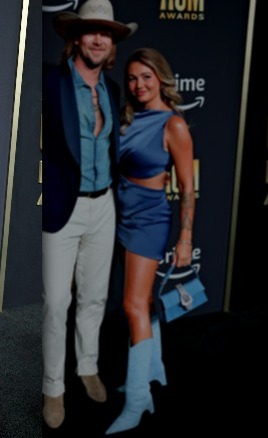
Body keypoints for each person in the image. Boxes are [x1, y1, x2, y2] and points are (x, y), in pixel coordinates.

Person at [41, 0, 136, 429]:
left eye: (107, 33)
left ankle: (87, 367)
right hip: (64, 207)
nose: (99, 39)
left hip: (105, 204)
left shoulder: (113, 91)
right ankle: (53, 388)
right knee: (57, 302)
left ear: (112, 43)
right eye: (92, 30)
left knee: (96, 296)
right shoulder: (51, 81)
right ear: (76, 37)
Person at [105, 47, 195, 434]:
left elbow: (188, 190)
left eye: (146, 77)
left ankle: (138, 399)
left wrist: (185, 237)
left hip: (149, 219)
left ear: (160, 78)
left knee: (132, 306)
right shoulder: (129, 120)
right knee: (143, 300)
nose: (138, 85)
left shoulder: (173, 125)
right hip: (121, 216)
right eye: (132, 78)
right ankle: (153, 369)